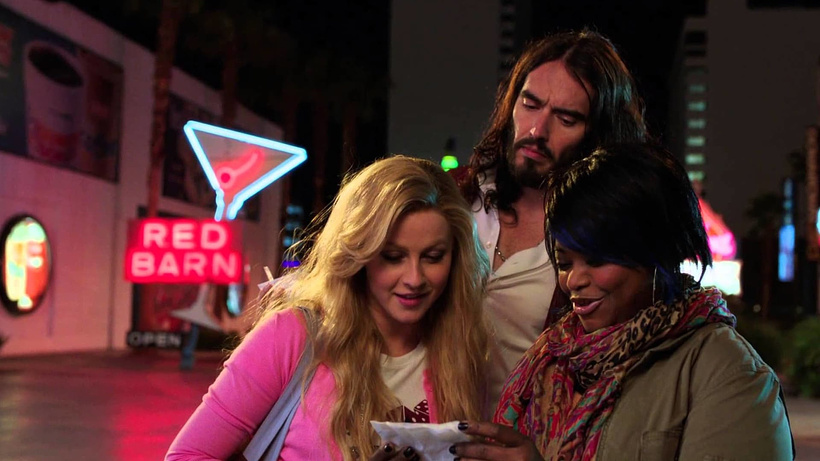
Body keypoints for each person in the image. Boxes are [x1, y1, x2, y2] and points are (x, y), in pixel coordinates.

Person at [448, 144, 794, 460]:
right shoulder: (550, 358)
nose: (574, 280)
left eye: (596, 260)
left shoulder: (728, 373)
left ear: (657, 252)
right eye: (565, 263)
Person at [166, 155, 491, 460]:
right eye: (393, 257)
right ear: (359, 254)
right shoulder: (293, 335)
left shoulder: (464, 345)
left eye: (433, 257)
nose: (414, 278)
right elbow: (186, 456)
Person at [454, 29, 648, 408]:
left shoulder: (605, 247)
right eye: (530, 104)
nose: (536, 130)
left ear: (598, 134)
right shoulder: (454, 197)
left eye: (566, 118)